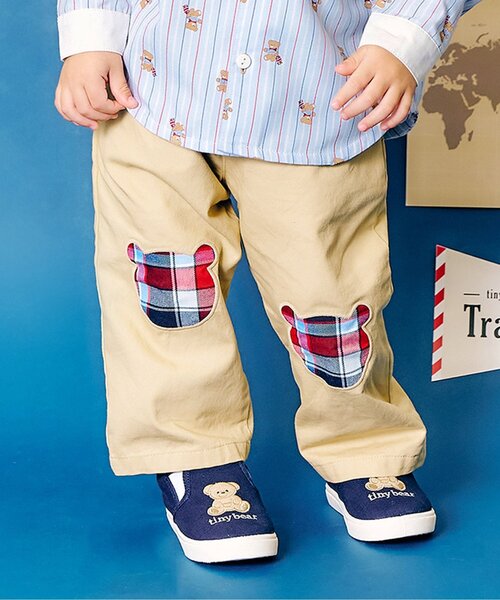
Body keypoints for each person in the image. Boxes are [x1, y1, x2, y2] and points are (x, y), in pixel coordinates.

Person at [54, 0, 481, 564]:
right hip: (155, 82)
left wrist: (404, 37)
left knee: (331, 298)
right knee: (167, 285)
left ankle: (364, 448)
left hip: (316, 95)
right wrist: (90, 34)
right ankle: (196, 458)